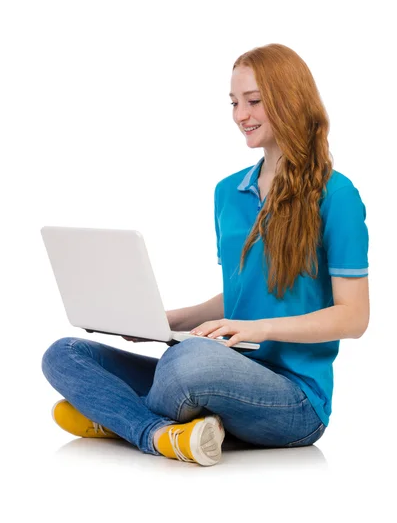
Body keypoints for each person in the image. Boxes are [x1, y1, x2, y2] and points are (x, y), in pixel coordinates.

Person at [42, 43, 370, 467]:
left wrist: (256, 329)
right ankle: (161, 435)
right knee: (64, 354)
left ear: (291, 99)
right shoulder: (227, 193)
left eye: (253, 101)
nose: (240, 115)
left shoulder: (337, 195)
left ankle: (120, 419)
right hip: (220, 366)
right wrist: (164, 321)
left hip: (293, 400)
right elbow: (239, 294)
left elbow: (354, 317)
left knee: (186, 363)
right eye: (234, 103)